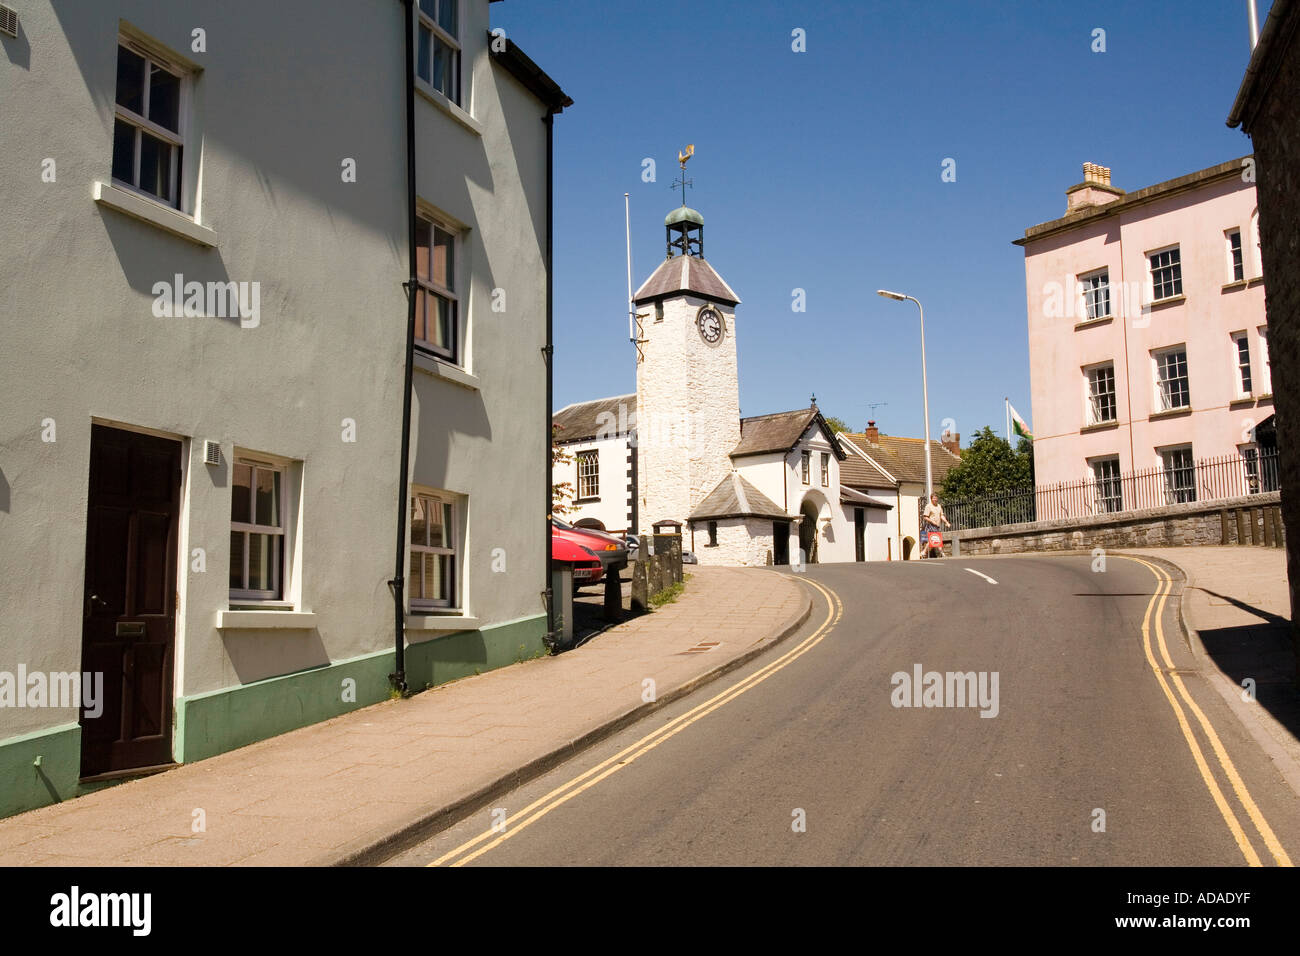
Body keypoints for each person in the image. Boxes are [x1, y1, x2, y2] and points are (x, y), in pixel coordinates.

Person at [920, 492, 950, 558]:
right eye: (933, 498)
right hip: (930, 525)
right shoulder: (928, 506)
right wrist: (932, 521)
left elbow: (941, 515)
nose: (935, 499)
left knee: (935, 540)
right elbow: (925, 517)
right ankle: (942, 553)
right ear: (931, 499)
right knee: (934, 539)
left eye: (936, 498)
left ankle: (923, 552)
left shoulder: (939, 506)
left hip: (937, 525)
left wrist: (946, 522)